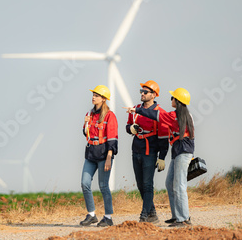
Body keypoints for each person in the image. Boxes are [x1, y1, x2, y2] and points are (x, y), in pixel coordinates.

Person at [125, 88, 194, 227]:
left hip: (183, 152)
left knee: (179, 185)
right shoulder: (180, 115)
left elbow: (155, 115)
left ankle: (184, 219)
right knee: (170, 183)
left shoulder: (175, 116)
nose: (171, 100)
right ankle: (176, 216)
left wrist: (136, 110)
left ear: (178, 101)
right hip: (177, 151)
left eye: (173, 98)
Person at [126, 80, 169, 223]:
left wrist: (162, 157)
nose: (142, 94)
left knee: (147, 184)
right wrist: (130, 129)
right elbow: (128, 126)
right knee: (140, 184)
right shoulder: (135, 109)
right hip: (136, 149)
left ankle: (144, 216)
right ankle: (152, 214)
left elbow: (163, 137)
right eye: (141, 91)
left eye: (145, 92)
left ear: (154, 95)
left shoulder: (160, 113)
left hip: (150, 151)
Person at [80, 85, 118, 227]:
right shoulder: (89, 114)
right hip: (91, 153)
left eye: (96, 95)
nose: (93, 97)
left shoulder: (109, 115)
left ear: (103, 99)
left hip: (103, 154)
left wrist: (109, 157)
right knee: (85, 183)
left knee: (103, 186)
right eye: (93, 95)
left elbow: (112, 138)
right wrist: (85, 124)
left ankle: (108, 217)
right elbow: (86, 133)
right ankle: (91, 215)